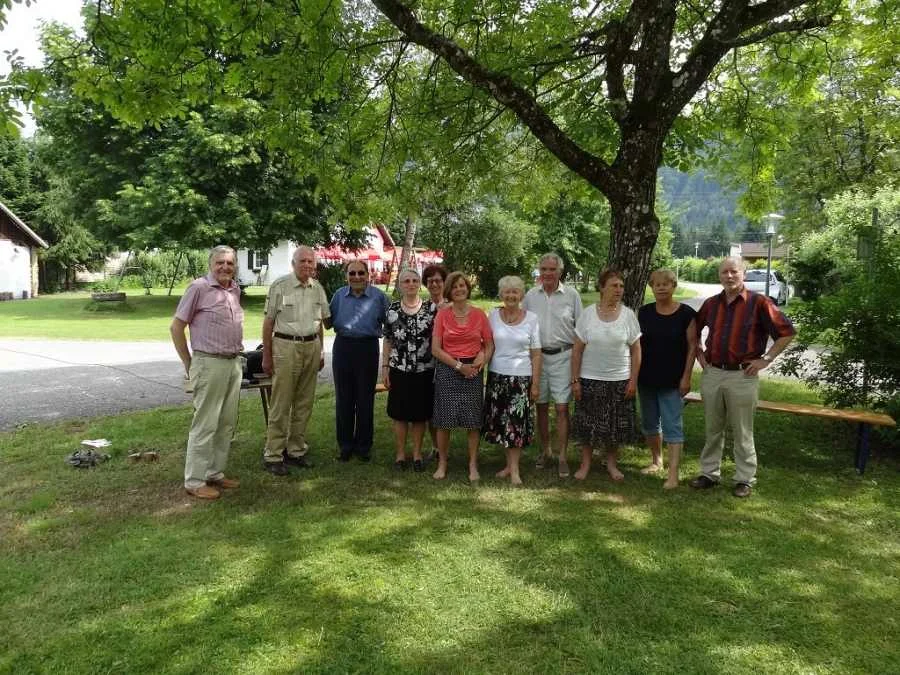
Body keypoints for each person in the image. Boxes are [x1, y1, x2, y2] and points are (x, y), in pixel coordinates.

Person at [690, 256, 795, 498]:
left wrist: (766, 359)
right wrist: (699, 353)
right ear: (719, 276)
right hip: (713, 373)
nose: (729, 276)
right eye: (724, 272)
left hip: (742, 375)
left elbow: (786, 332)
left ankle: (744, 478)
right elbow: (693, 330)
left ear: (743, 274)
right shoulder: (711, 304)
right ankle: (709, 474)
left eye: (734, 272)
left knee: (742, 430)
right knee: (713, 428)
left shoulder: (759, 303)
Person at [170, 245, 244, 500]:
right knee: (205, 423)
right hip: (208, 363)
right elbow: (176, 327)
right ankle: (194, 480)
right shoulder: (198, 288)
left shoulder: (234, 289)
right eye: (220, 262)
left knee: (225, 423)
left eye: (230, 263)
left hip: (233, 362)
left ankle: (215, 473)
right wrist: (189, 364)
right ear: (211, 264)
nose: (225, 267)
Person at [260, 245, 330, 476]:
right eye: (303, 261)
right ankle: (273, 454)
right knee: (281, 402)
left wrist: (321, 351)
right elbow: (268, 323)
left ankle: (296, 451)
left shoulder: (317, 288)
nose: (308, 265)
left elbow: (320, 324)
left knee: (304, 402)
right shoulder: (280, 286)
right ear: (294, 263)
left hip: (311, 347)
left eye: (311, 262)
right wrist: (266, 356)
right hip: (285, 347)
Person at [570, 267, 641, 481]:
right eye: (613, 285)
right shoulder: (588, 314)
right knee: (587, 425)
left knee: (615, 427)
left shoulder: (628, 315)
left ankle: (611, 465)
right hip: (590, 379)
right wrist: (575, 380)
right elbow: (577, 350)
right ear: (602, 288)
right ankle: (585, 465)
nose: (618, 290)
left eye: (621, 286)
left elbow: (636, 351)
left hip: (619, 380)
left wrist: (633, 381)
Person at [522, 252, 582, 478]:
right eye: (544, 269)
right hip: (538, 358)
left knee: (562, 408)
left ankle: (563, 456)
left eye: (552, 269)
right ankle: (545, 451)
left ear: (560, 271)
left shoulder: (572, 295)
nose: (547, 273)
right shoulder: (530, 295)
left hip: (564, 357)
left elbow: (580, 331)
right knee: (541, 407)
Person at [637, 268, 697, 489]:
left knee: (672, 426)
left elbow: (693, 347)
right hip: (646, 378)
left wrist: (686, 377)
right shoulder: (643, 312)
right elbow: (636, 347)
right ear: (651, 287)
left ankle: (673, 474)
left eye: (666, 284)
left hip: (673, 380)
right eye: (656, 284)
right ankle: (656, 461)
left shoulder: (687, 314)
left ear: (674, 286)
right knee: (649, 424)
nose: (661, 287)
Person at [431, 271, 493, 482]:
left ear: (467, 288)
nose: (459, 289)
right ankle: (442, 462)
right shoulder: (442, 315)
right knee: (443, 421)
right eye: (455, 286)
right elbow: (436, 349)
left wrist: (482, 358)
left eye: (462, 286)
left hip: (473, 371)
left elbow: (489, 344)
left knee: (473, 421)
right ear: (449, 291)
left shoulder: (479, 314)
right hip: (449, 369)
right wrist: (459, 366)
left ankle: (473, 464)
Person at [327, 260, 390, 462]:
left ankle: (363, 446)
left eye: (360, 273)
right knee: (344, 399)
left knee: (365, 399)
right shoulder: (338, 296)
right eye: (352, 273)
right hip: (343, 347)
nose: (356, 277)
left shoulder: (379, 297)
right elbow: (327, 321)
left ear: (368, 274)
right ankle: (345, 445)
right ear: (346, 275)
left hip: (367, 348)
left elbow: (392, 323)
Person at [482, 276, 542, 485]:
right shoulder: (492, 316)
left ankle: (514, 470)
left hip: (521, 378)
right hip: (497, 376)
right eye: (507, 292)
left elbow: (536, 354)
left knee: (515, 424)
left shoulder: (532, 319)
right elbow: (487, 346)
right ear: (501, 295)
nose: (510, 295)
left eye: (515, 292)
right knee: (502, 423)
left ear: (521, 295)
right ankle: (508, 465)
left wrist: (535, 384)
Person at [381, 268, 438, 472]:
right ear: (400, 285)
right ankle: (400, 454)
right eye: (406, 281)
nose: (411, 284)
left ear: (419, 284)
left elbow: (438, 340)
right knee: (400, 414)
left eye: (415, 280)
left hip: (424, 370)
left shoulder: (432, 309)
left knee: (419, 415)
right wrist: (385, 367)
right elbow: (388, 340)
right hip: (399, 368)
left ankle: (416, 454)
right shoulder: (392, 309)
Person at [423, 263, 449, 460]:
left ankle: (444, 448)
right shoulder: (423, 307)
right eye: (430, 281)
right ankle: (436, 447)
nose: (434, 284)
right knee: (430, 408)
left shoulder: (452, 305)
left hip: (447, 362)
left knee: (444, 407)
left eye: (438, 280)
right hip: (425, 364)